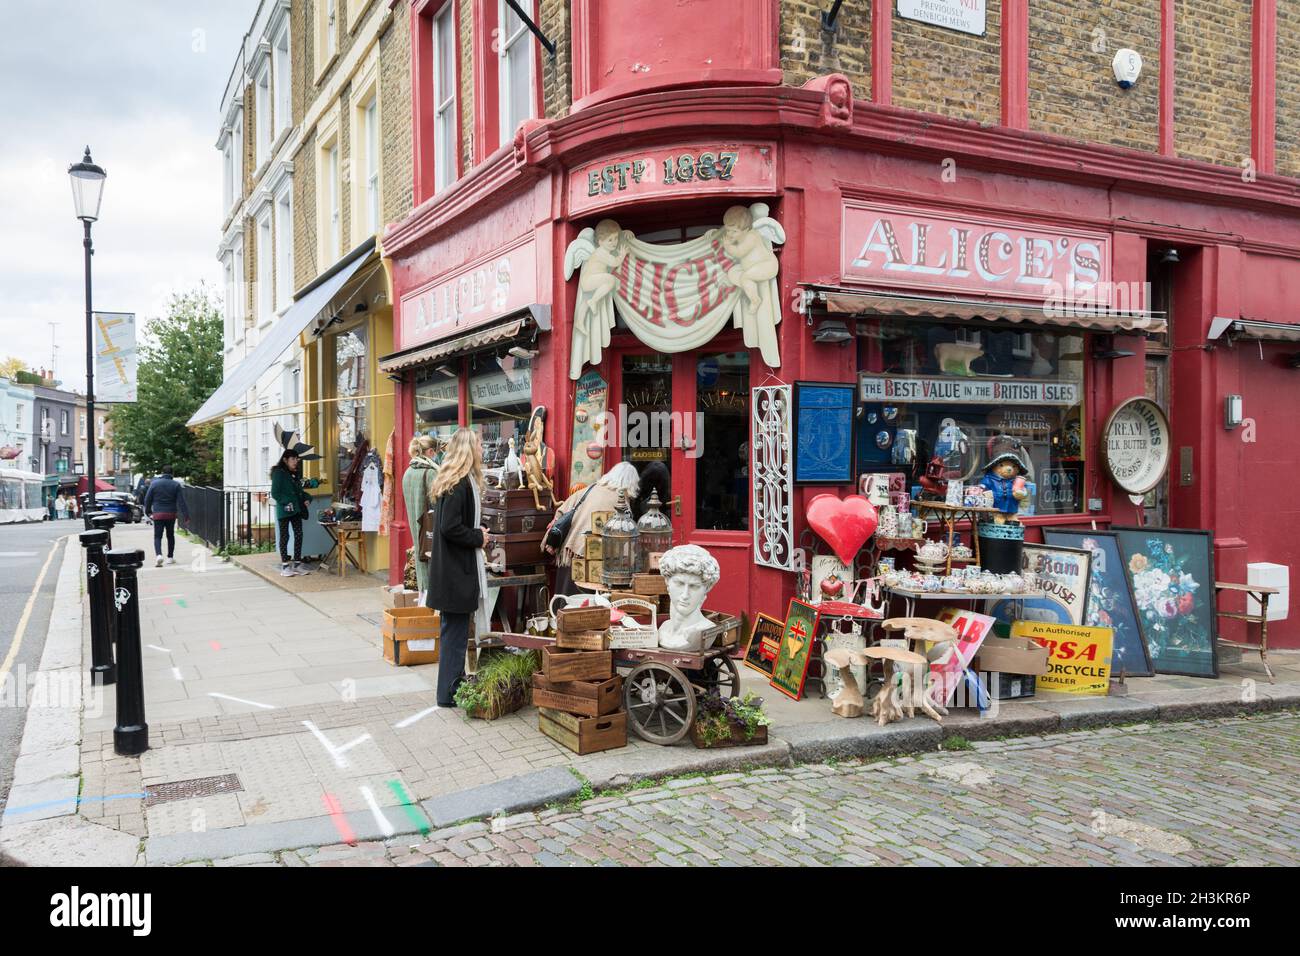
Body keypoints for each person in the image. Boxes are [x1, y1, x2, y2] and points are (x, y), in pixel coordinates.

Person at [424, 428, 490, 708]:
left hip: (451, 571)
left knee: (455, 633)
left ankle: (452, 686)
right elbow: (450, 527)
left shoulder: (457, 481)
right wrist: (479, 537)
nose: (482, 449)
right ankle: (448, 694)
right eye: (478, 444)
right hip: (454, 573)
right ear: (468, 449)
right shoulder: (460, 484)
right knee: (455, 634)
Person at [545, 461, 640, 596]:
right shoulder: (621, 500)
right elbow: (624, 536)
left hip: (570, 552)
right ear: (631, 483)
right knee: (587, 606)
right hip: (595, 561)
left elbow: (561, 512)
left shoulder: (590, 489)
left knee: (566, 602)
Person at [402, 434, 440, 597]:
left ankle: (425, 603)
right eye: (437, 452)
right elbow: (438, 504)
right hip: (431, 530)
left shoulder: (408, 472)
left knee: (421, 563)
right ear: (431, 452)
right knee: (432, 569)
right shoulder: (430, 473)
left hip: (417, 528)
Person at [270, 449, 313, 577]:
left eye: (296, 459)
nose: (296, 461)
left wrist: (307, 498)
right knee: (285, 536)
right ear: (285, 460)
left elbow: (299, 491)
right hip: (284, 510)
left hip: (296, 510)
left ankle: (297, 564)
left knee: (299, 535)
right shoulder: (279, 473)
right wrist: (287, 502)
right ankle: (285, 566)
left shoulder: (295, 473)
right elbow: (275, 493)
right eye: (293, 459)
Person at [143, 467, 189, 567]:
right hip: (171, 514)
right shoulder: (176, 485)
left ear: (162, 473)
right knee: (170, 535)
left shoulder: (154, 484)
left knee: (157, 536)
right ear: (172, 473)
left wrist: (148, 512)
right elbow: (182, 502)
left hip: (158, 514)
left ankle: (159, 555)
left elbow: (147, 499)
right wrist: (186, 516)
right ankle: (170, 557)